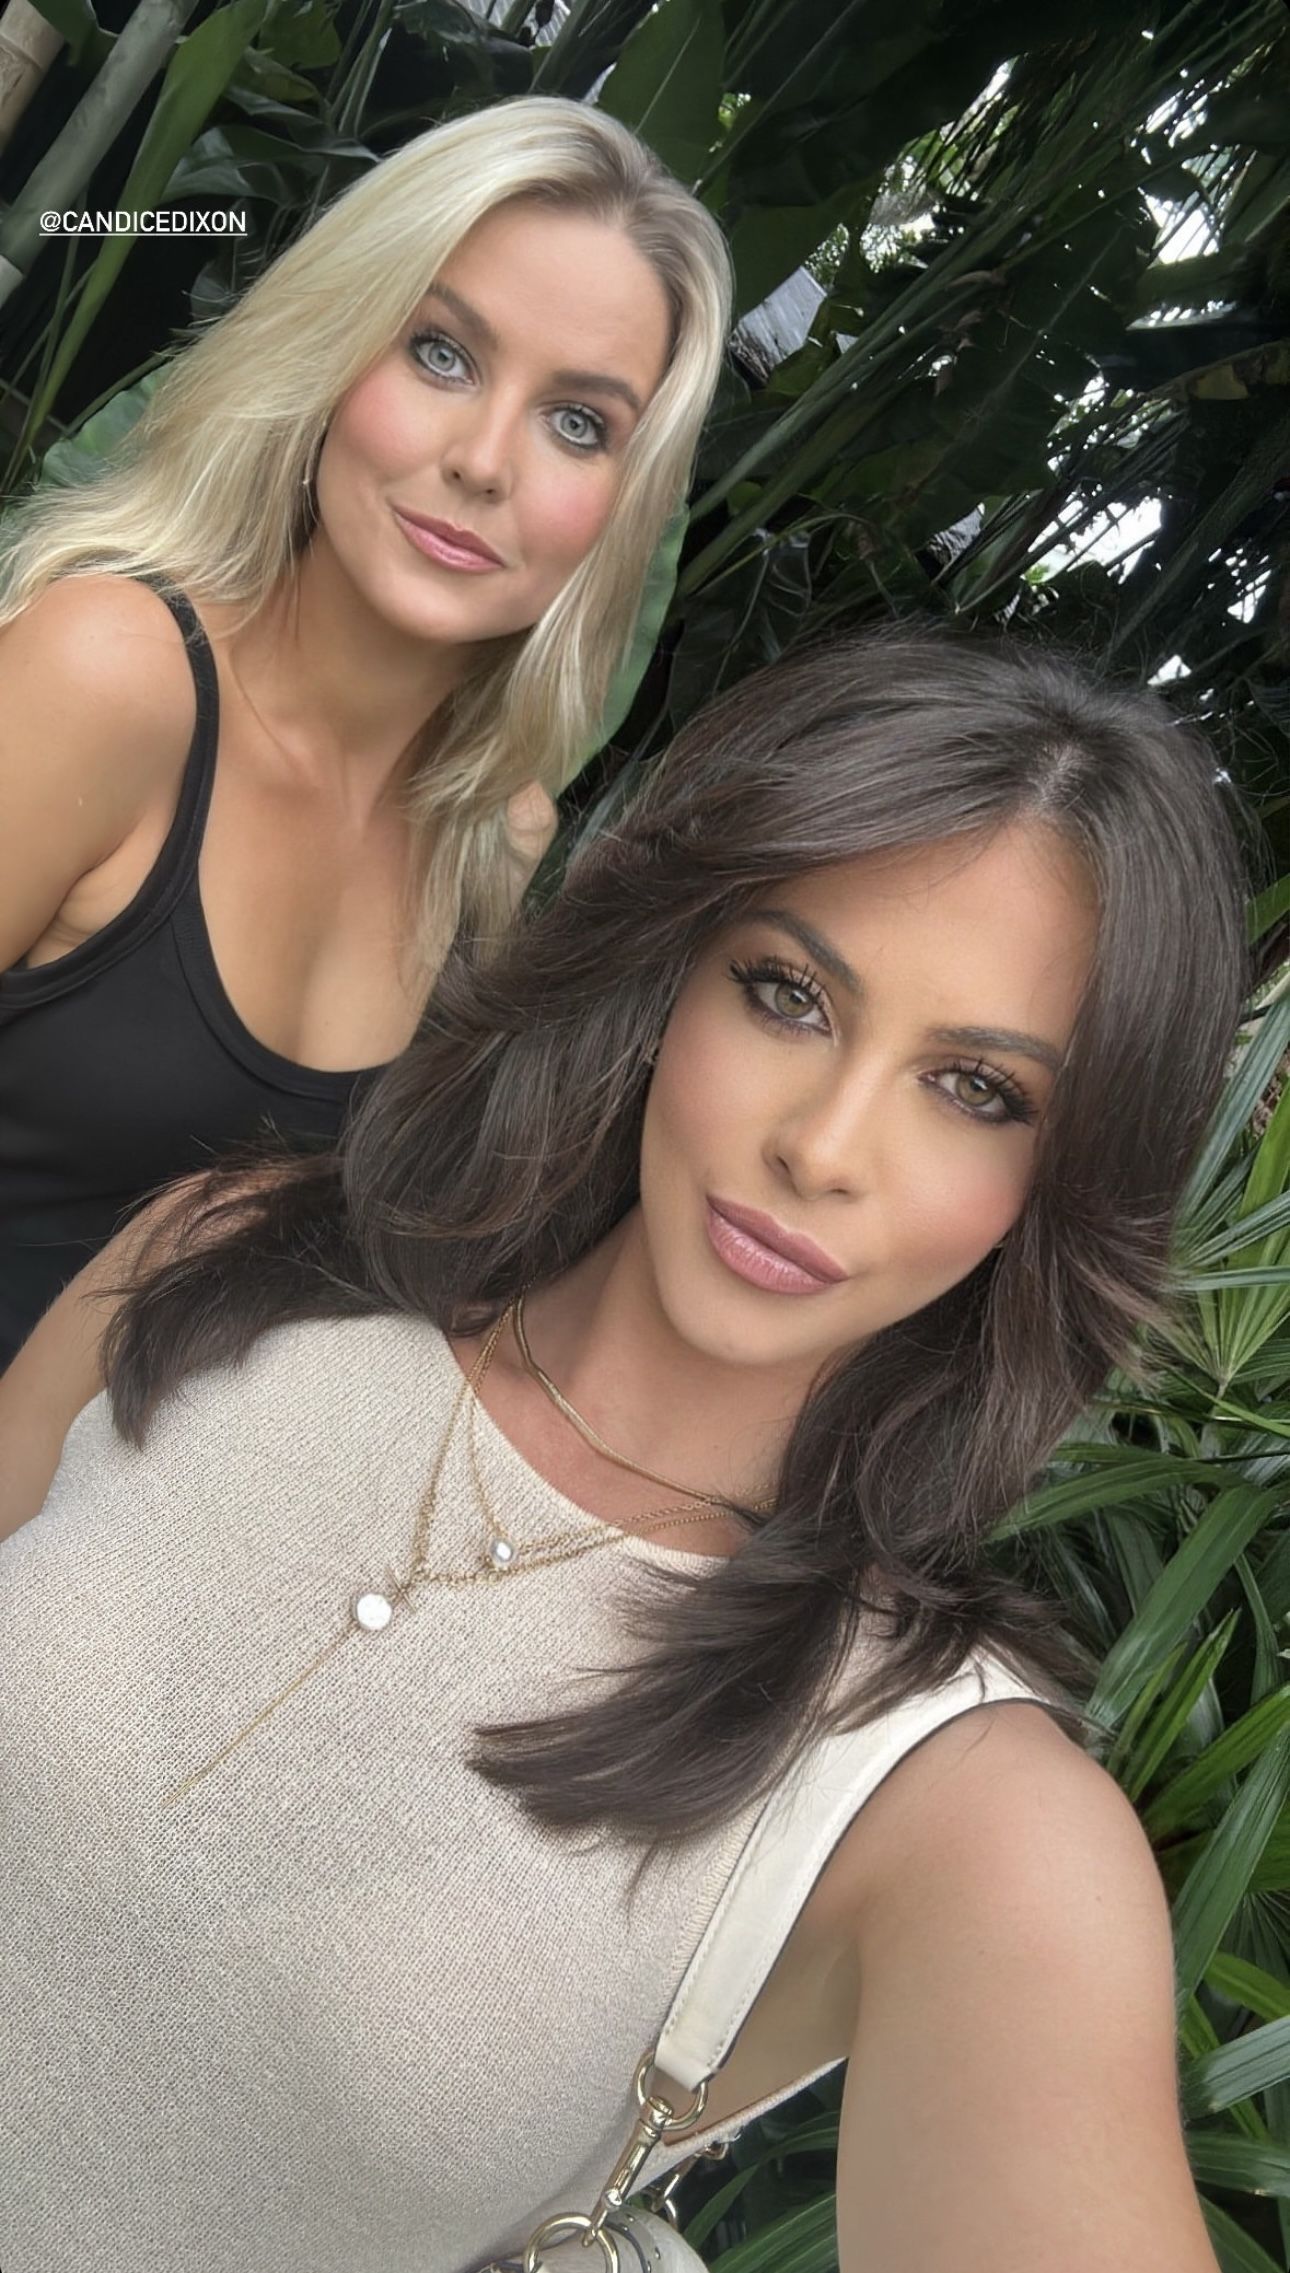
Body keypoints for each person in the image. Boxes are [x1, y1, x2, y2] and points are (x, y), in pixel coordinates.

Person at [0, 627, 1248, 2273]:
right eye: (788, 993)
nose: (824, 1145)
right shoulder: (226, 1257)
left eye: (973, 1088)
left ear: (1066, 1177)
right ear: (667, 963)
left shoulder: (947, 1804)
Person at [0, 94, 731, 1366]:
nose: (484, 459)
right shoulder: (111, 671)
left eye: (578, 423)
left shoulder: (491, 839)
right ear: (337, 354)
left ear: (626, 505)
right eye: (442, 353)